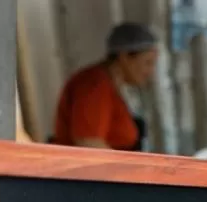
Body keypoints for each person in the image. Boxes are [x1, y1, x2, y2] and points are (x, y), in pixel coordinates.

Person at [52, 22, 158, 151]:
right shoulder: (94, 86)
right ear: (124, 57)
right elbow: (89, 143)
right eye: (147, 63)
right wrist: (122, 169)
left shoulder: (110, 84)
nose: (151, 71)